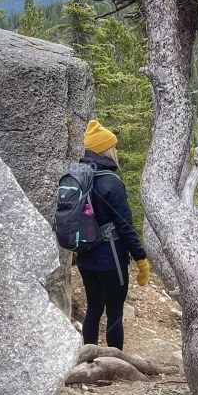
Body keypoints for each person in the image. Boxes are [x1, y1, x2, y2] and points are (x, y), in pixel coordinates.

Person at [77, 119, 149, 350]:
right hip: (111, 258)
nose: (115, 150)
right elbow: (124, 225)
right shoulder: (111, 182)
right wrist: (141, 258)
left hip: (85, 255)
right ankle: (114, 361)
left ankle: (90, 359)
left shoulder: (80, 178)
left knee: (93, 308)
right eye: (113, 146)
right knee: (115, 312)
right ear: (105, 150)